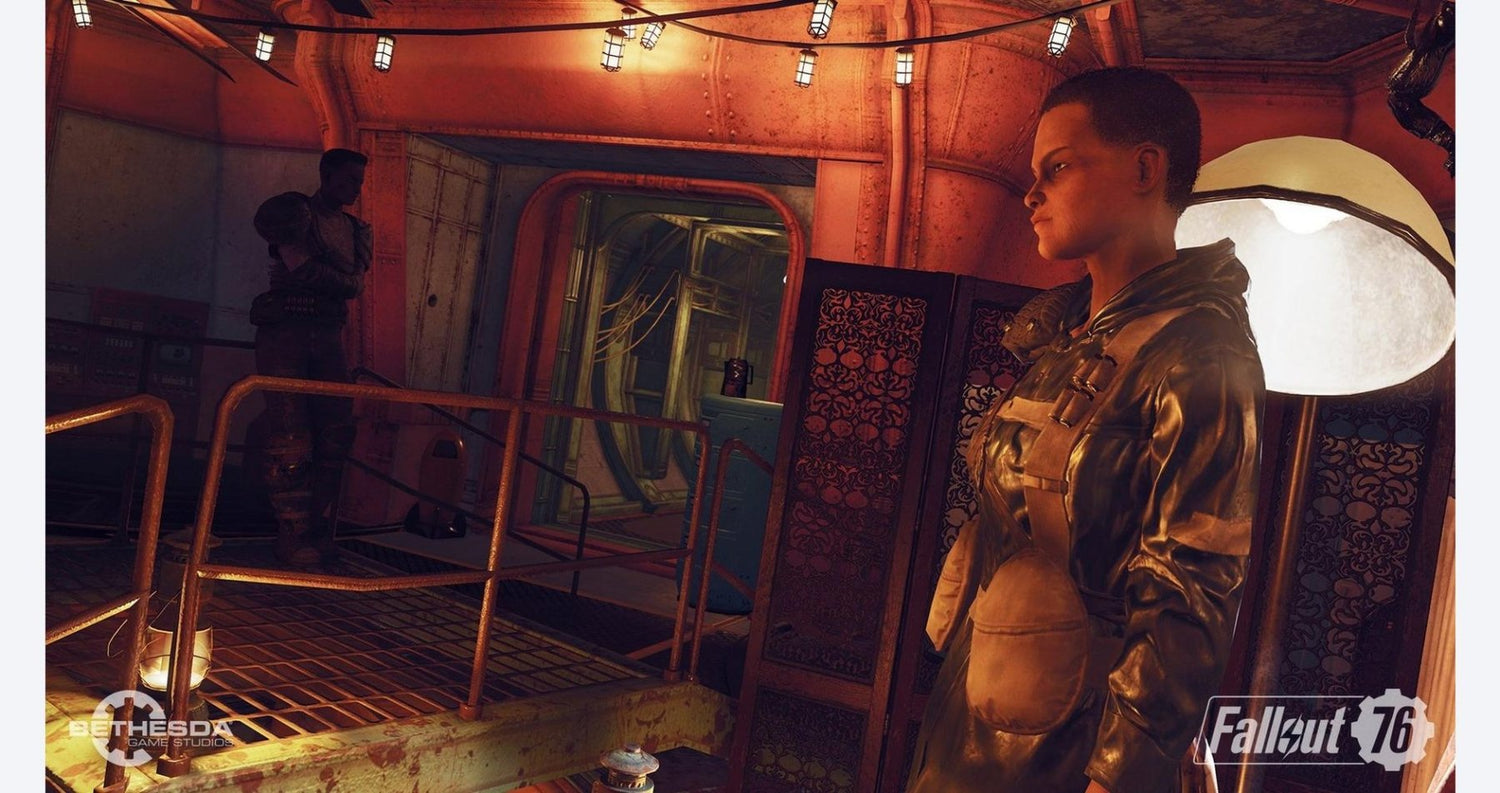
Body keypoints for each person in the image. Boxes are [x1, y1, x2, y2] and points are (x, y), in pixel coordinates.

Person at [907, 67, 1265, 793]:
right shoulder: (1065, 339)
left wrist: (1119, 776)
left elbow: (1190, 592)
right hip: (971, 720)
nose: (1032, 194)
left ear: (1145, 169)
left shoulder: (1203, 354)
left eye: (1059, 168)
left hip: (1078, 752)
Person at [248, 148, 372, 567]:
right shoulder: (295, 213)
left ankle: (316, 530)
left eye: (359, 181)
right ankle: (292, 534)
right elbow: (304, 270)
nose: (355, 188)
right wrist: (340, 281)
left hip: (328, 334)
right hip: (286, 333)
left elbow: (350, 285)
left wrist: (333, 279)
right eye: (349, 179)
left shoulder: (354, 230)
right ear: (326, 174)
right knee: (290, 438)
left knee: (335, 433)